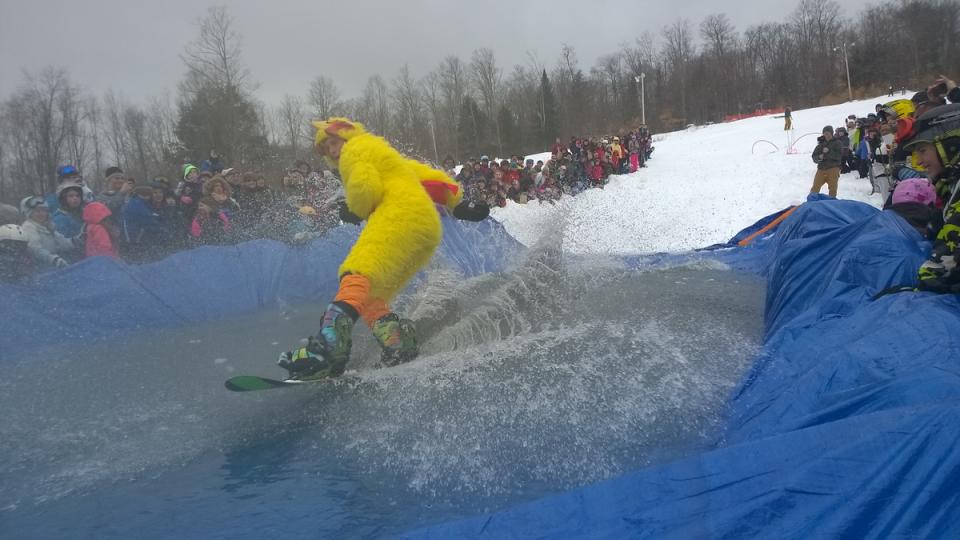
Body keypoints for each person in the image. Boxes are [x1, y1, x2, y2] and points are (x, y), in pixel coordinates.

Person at [278, 117, 488, 381]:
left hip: (397, 216)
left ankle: (329, 349)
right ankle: (397, 344)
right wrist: (458, 205)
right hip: (425, 229)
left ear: (347, 135)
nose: (332, 151)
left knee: (356, 272)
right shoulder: (383, 154)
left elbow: (365, 187)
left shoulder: (355, 150)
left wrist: (356, 208)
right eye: (326, 148)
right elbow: (426, 178)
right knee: (370, 296)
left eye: (334, 142)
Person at [19, 196, 76, 270]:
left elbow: (61, 242)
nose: (41, 214)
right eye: (37, 211)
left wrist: (76, 241)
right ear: (29, 213)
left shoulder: (47, 226)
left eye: (44, 210)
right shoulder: (28, 227)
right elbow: (35, 249)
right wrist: (53, 259)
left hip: (52, 267)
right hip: (40, 270)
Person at [810, 125, 843, 198]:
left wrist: (829, 151)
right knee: (815, 188)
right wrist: (819, 157)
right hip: (821, 169)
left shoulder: (838, 143)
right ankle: (811, 203)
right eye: (824, 134)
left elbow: (839, 156)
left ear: (831, 133)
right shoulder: (820, 144)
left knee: (833, 190)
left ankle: (831, 204)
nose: (826, 135)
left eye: (827, 133)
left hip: (833, 169)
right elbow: (814, 157)